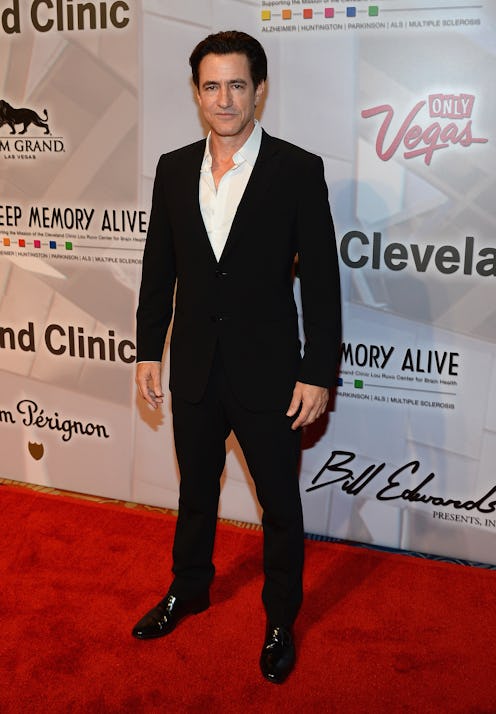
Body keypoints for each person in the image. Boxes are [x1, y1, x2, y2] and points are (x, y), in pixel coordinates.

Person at [132, 30, 341, 684]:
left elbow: (324, 282)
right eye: (212, 86)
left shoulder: (297, 170)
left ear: (260, 90)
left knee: (279, 503)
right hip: (195, 365)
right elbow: (159, 268)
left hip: (270, 372)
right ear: (197, 93)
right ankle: (189, 587)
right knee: (196, 492)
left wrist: (318, 371)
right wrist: (147, 349)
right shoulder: (172, 168)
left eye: (237, 85)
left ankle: (280, 618)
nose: (224, 99)